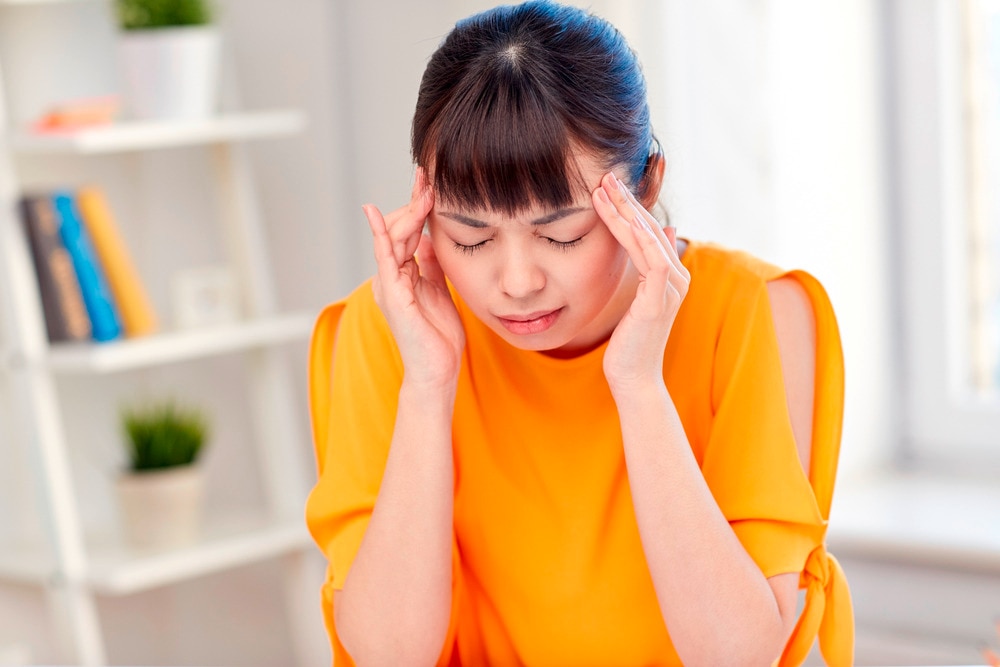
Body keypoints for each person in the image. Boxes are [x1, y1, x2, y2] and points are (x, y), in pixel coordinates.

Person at [306, 2, 854, 665]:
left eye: (561, 233)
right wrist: (427, 385)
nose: (515, 280)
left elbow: (736, 654)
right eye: (468, 236)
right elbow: (390, 655)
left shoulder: (754, 315)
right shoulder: (391, 325)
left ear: (647, 186)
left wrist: (639, 385)